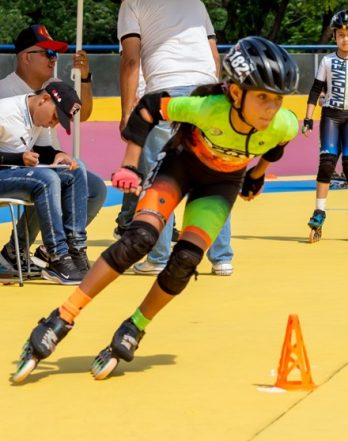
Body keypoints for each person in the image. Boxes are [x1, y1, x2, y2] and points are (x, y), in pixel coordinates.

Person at [11, 37, 300, 383]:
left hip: (220, 186)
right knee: (139, 239)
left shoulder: (283, 123)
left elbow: (278, 144)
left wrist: (257, 175)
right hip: (181, 167)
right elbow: (149, 107)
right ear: (236, 93)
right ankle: (62, 316)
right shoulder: (207, 108)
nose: (272, 108)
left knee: (186, 260)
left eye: (278, 99)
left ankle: (135, 326)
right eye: (263, 97)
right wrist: (130, 164)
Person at [115, 0, 234, 276]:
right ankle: (221, 258)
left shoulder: (131, 4)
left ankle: (158, 257)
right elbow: (214, 56)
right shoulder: (196, 3)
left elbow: (131, 59)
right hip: (206, 92)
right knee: (213, 175)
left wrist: (127, 113)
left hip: (165, 91)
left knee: (160, 179)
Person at [0, 24, 106, 273]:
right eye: (47, 53)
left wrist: (84, 78)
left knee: (93, 187)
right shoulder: (5, 94)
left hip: (41, 160)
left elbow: (82, 115)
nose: (54, 59)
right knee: (47, 181)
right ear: (26, 57)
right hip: (18, 167)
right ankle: (29, 251)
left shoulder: (54, 86)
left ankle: (59, 250)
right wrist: (20, 158)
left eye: (55, 53)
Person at [0, 82, 87, 285]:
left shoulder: (38, 117)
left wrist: (59, 154)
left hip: (13, 173)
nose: (53, 124)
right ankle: (57, 256)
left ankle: (75, 250)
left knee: (76, 170)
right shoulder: (4, 113)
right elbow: (20, 155)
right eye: (56, 117)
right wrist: (18, 158)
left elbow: (42, 151)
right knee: (47, 179)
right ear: (45, 99)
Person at [302, 9, 348, 242]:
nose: (345, 39)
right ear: (334, 36)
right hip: (330, 116)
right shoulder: (327, 61)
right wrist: (308, 118)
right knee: (326, 165)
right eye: (341, 35)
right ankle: (319, 212)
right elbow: (315, 90)